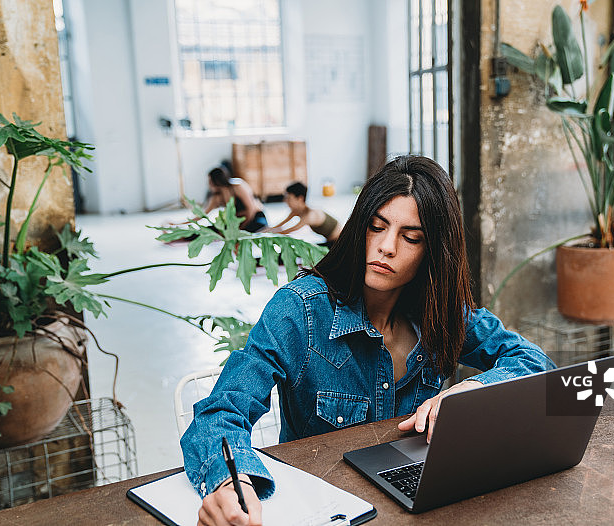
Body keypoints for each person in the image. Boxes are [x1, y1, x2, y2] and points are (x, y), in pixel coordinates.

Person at [180, 155, 555, 526]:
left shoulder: (440, 312)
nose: (387, 247)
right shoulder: (301, 311)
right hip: (325, 508)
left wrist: (474, 389)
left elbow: (534, 362)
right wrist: (230, 483)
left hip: (421, 503)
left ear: (433, 251)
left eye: (411, 237)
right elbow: (223, 409)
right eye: (377, 227)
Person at [265, 182, 342, 247]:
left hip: (340, 241)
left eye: (289, 198)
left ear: (300, 199)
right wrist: (268, 229)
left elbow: (289, 230)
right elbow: (281, 224)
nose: (285, 201)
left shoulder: (310, 215)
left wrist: (267, 234)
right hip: (330, 241)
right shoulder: (296, 211)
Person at [204, 166, 268, 232]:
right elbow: (203, 213)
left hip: (254, 217)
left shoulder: (237, 186)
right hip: (238, 222)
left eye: (210, 181)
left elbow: (250, 209)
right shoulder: (217, 197)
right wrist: (193, 221)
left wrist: (241, 228)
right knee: (211, 230)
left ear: (216, 181)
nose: (209, 184)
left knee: (254, 232)